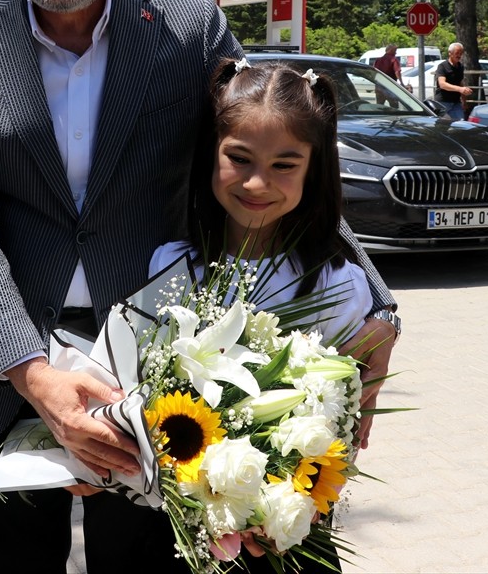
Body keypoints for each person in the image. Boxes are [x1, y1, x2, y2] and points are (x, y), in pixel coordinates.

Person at [0, 0, 398, 574]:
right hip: (10, 371)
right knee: (22, 565)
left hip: (162, 372)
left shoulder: (189, 26)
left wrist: (378, 303)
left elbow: (269, 159)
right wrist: (34, 375)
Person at [150, 60, 381, 572]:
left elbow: (343, 417)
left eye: (285, 164)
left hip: (287, 537)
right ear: (209, 153)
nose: (258, 183)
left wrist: (286, 508)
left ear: (314, 169)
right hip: (187, 528)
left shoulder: (337, 282)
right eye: (239, 158)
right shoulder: (170, 265)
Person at [433, 42, 472, 120]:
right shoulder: (442, 66)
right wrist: (460, 89)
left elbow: (460, 83)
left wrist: (464, 101)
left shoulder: (460, 67)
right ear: (450, 53)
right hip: (443, 102)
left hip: (456, 103)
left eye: (461, 53)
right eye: (457, 53)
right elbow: (442, 84)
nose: (459, 55)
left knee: (460, 125)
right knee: (442, 126)